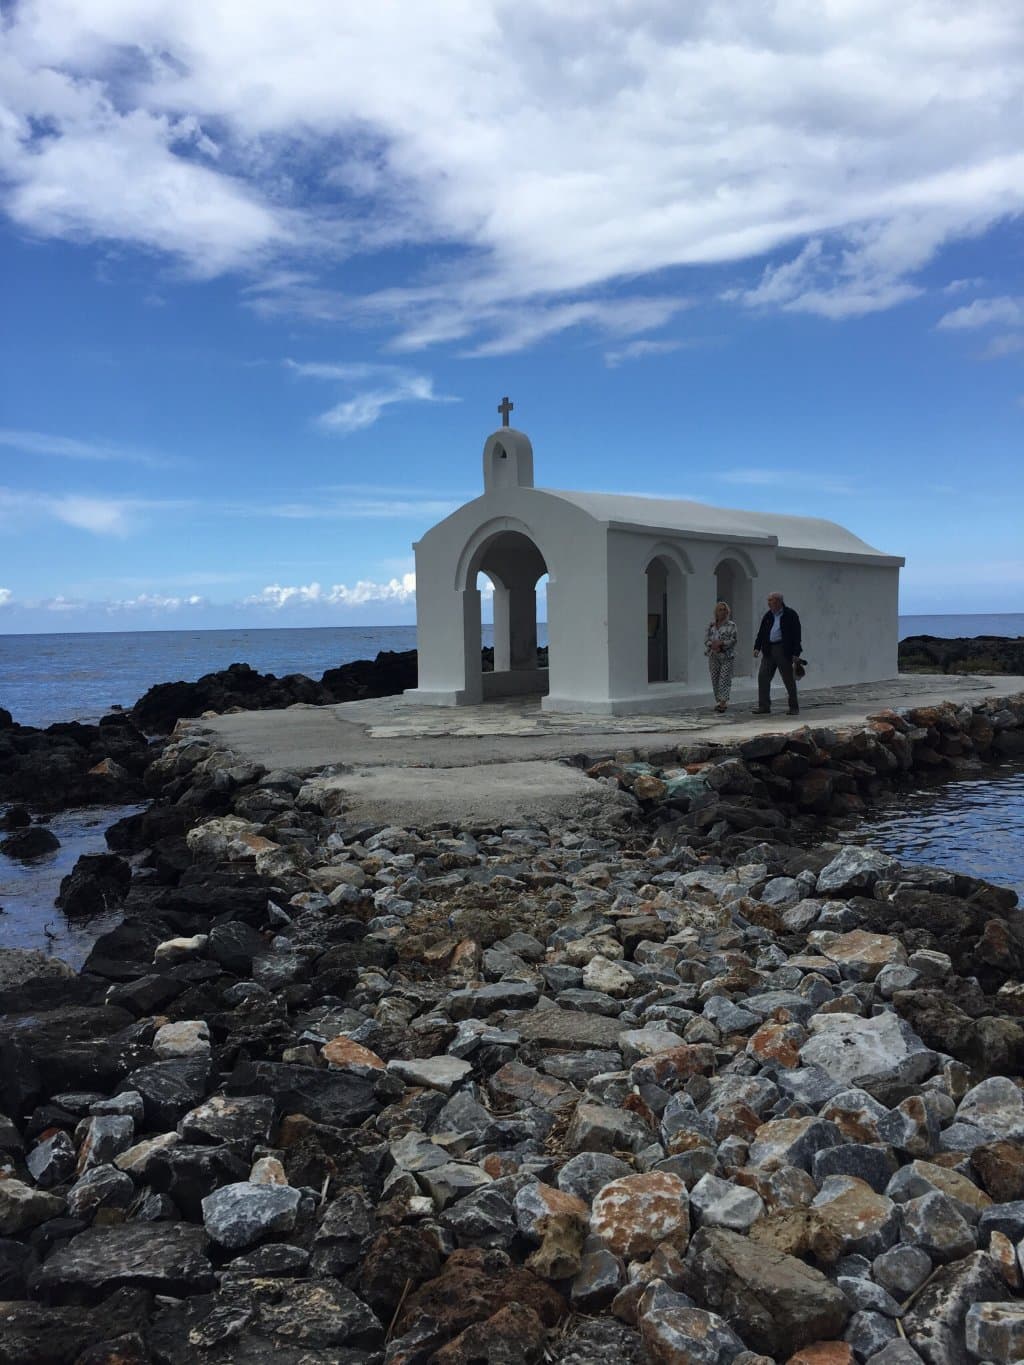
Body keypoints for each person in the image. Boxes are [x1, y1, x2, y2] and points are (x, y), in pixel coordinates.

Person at [752, 591, 802, 715]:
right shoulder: (768, 616)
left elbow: (797, 634)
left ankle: (794, 707)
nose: (769, 603)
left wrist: (796, 652)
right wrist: (757, 647)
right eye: (768, 601)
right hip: (769, 649)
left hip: (783, 649)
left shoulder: (790, 614)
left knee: (788, 678)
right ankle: (764, 706)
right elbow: (762, 633)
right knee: (763, 676)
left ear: (779, 601)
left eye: (771, 600)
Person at [704, 600, 738, 712]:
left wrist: (722, 644)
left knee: (724, 678)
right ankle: (719, 700)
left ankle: (723, 702)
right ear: (716, 612)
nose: (722, 612)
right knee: (715, 678)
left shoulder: (731, 625)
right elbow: (706, 639)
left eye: (724, 610)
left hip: (726, 655)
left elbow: (733, 640)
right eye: (720, 609)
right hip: (713, 655)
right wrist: (712, 645)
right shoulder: (711, 626)